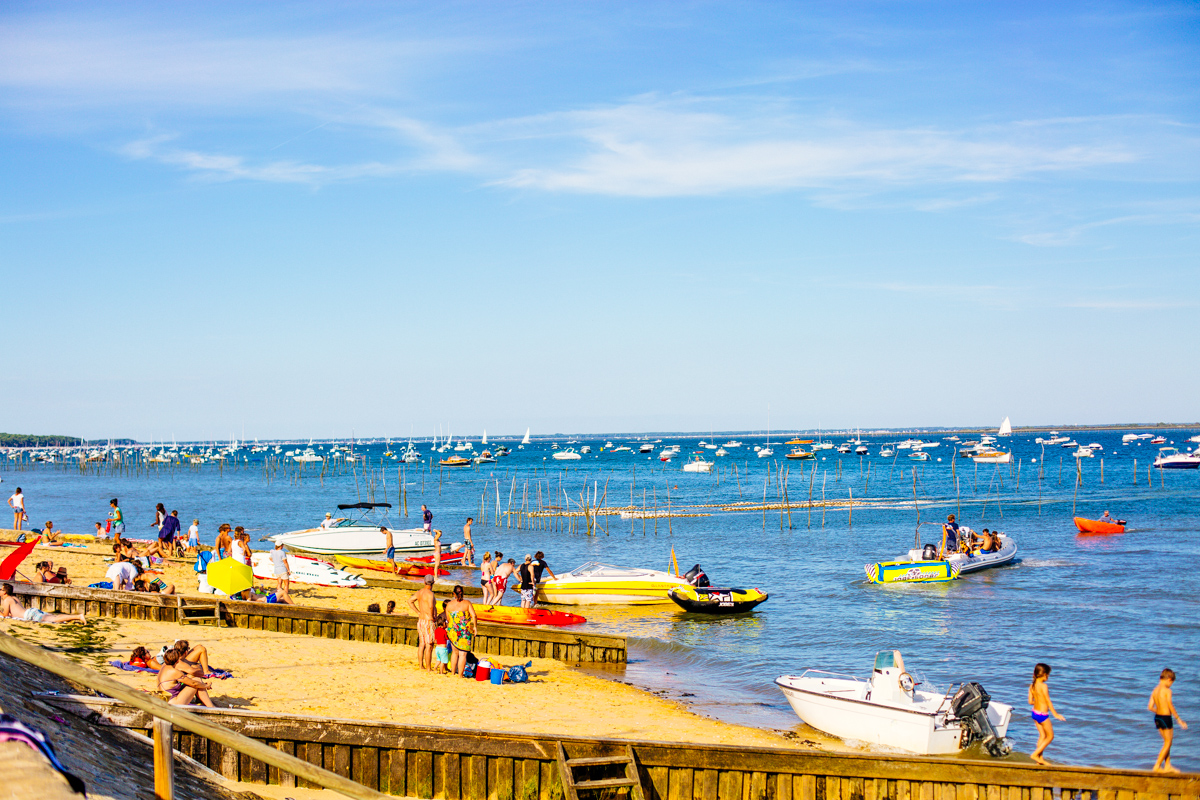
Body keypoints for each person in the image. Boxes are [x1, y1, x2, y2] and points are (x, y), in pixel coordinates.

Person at [1149, 668, 1188, 772]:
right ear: (1169, 679)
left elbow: (1150, 707)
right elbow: (1170, 705)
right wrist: (1178, 719)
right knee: (1168, 742)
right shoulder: (1167, 691)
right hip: (1165, 718)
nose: (1171, 685)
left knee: (1167, 742)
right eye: (1172, 683)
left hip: (1157, 718)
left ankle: (1167, 765)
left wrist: (1159, 711)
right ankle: (1157, 766)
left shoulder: (1155, 690)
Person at [1028, 663, 1066, 765]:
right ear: (1044, 674)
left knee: (1042, 735)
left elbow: (1030, 701)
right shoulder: (1044, 686)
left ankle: (1039, 760)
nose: (1048, 677)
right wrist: (1055, 714)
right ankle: (1035, 755)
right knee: (1050, 736)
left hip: (1034, 713)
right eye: (1048, 674)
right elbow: (1048, 701)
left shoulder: (1032, 686)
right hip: (1042, 715)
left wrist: (1038, 701)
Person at [0, 584, 86, 624]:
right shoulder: (13, 598)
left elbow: (5, 616)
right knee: (54, 617)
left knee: (54, 619)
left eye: (1, 589)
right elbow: (14, 612)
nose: (0, 590)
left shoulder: (7, 600)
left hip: (30, 615)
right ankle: (74, 618)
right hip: (31, 611)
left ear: (5, 592)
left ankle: (78, 617)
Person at [406, 574, 437, 671]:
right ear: (433, 583)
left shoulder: (420, 592)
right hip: (428, 621)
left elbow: (410, 601)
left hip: (421, 620)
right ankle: (428, 668)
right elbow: (431, 606)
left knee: (422, 644)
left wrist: (418, 612)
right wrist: (432, 617)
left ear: (424, 582)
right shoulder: (430, 594)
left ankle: (421, 665)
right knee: (429, 645)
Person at [445, 585, 476, 677]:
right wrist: (475, 627)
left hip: (453, 631)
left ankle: (453, 673)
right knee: (462, 655)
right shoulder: (467, 603)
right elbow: (474, 615)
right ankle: (460, 675)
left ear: (454, 593)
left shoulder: (449, 605)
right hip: (464, 632)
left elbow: (448, 619)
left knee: (454, 653)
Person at [270, 540, 294, 604]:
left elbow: (270, 558)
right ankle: (285, 596)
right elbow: (285, 562)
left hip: (276, 569)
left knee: (279, 583)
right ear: (281, 546)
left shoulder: (273, 552)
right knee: (286, 583)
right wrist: (288, 570)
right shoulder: (282, 552)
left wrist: (276, 561)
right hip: (282, 569)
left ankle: (279, 595)